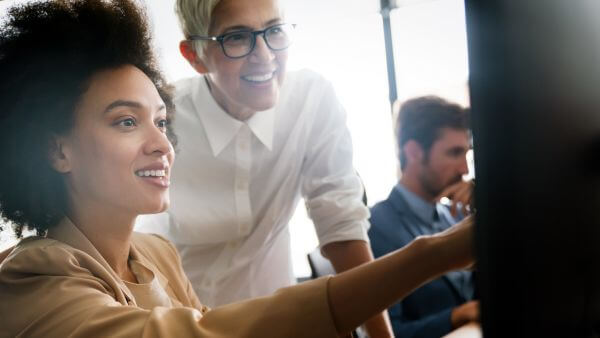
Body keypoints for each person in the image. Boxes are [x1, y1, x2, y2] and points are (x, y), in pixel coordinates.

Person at [0, 1, 474, 337]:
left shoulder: (155, 256)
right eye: (126, 121)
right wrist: (433, 254)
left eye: (161, 122)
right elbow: (205, 332)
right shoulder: (33, 281)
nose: (163, 143)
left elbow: (339, 222)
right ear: (56, 151)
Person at [136, 0, 392, 335]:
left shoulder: (311, 100)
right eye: (237, 38)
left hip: (280, 324)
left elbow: (341, 225)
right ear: (194, 56)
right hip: (186, 327)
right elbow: (137, 245)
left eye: (273, 30)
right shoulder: (163, 120)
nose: (265, 55)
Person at [368, 96, 478, 337]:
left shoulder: (455, 217)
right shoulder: (377, 226)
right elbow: (388, 331)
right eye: (454, 153)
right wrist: (456, 315)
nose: (465, 170)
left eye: (466, 154)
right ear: (414, 152)